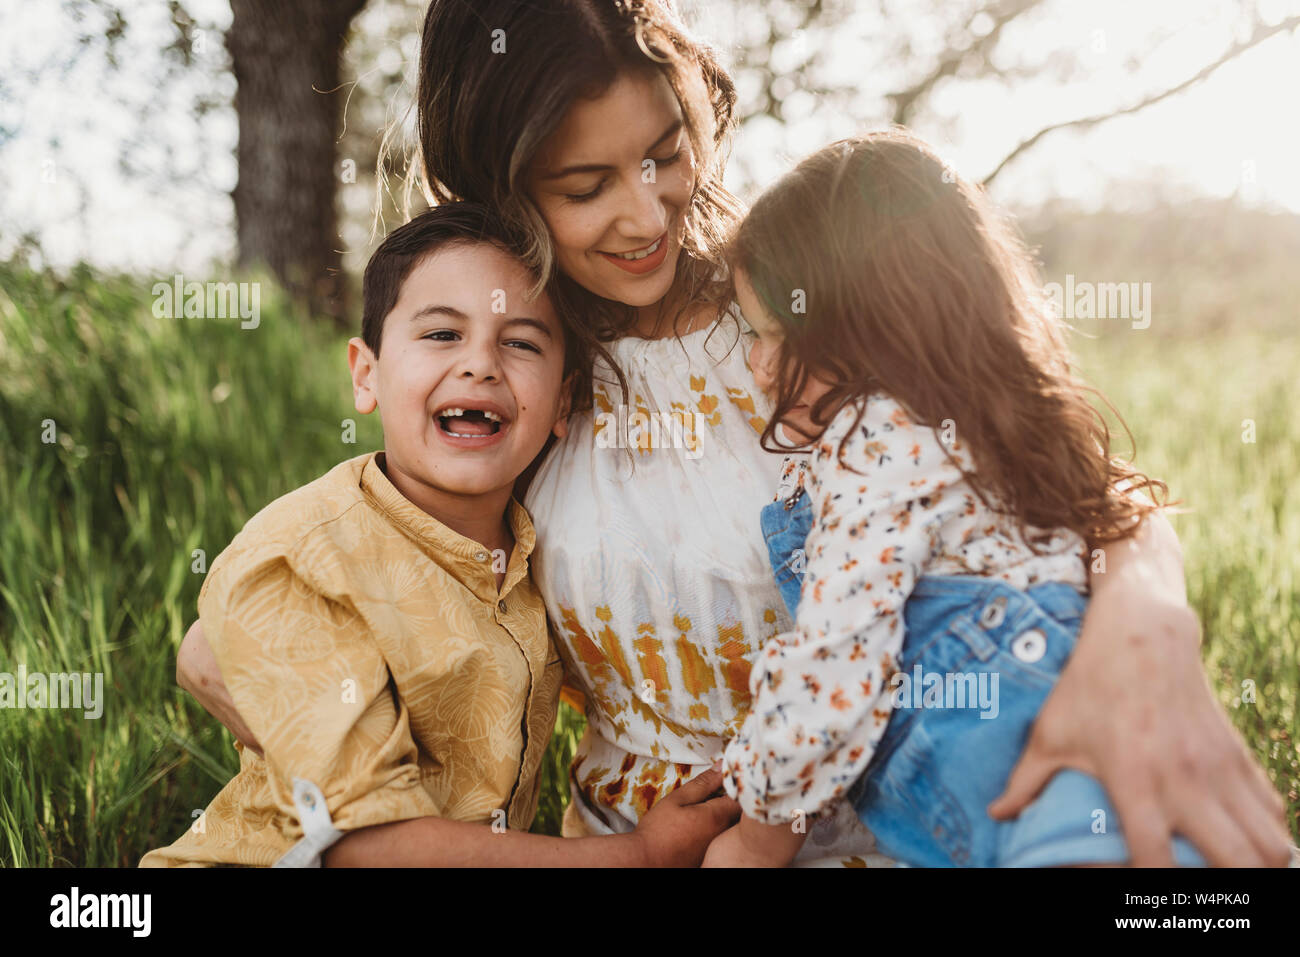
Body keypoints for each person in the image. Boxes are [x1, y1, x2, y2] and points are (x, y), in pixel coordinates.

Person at [175, 0, 1291, 867]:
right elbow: (317, 579)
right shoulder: (517, 369)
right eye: (586, 184)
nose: (650, 209)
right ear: (503, 183)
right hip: (639, 851)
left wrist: (1151, 632)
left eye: (665, 149)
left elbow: (1056, 476)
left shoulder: (798, 317)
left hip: (895, 828)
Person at [142, 204, 737, 867]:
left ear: (564, 401)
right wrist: (639, 855)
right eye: (442, 335)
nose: (480, 364)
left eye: (521, 342)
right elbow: (368, 848)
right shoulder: (305, 558)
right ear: (365, 373)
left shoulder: (545, 549)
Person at [706, 131, 1216, 866]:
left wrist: (753, 838)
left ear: (873, 320)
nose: (755, 364)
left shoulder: (877, 436)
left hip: (1044, 809)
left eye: (775, 333)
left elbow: (834, 676)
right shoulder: (996, 432)